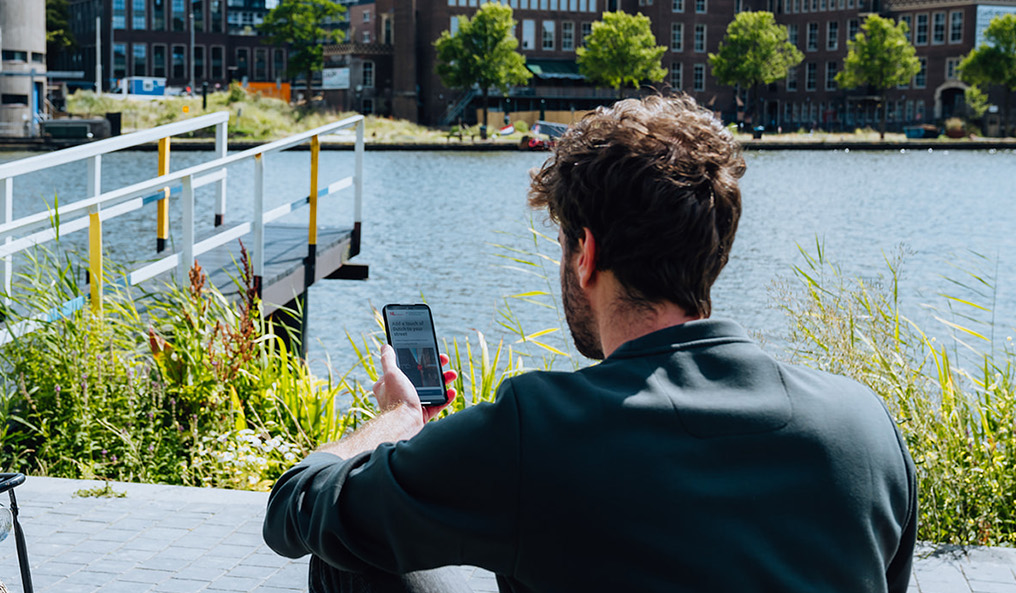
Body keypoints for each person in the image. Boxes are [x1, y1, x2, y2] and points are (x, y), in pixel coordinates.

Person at [263, 93, 916, 593]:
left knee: (350, 549)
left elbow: (298, 508)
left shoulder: (540, 429)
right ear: (714, 250)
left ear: (587, 252)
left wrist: (398, 420)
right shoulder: (862, 425)